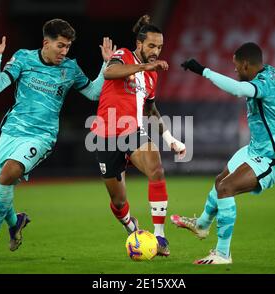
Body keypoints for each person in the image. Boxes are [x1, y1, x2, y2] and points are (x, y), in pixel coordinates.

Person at [171, 42, 275, 264]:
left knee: (226, 188)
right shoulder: (274, 74)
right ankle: (202, 225)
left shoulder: (263, 84)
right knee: (220, 182)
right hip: (255, 149)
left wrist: (203, 71)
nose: (235, 70)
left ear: (246, 65)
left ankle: (223, 254)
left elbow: (238, 90)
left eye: (236, 66)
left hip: (273, 158)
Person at [0, 19, 115, 255]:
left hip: (41, 136)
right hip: (11, 132)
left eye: (68, 46)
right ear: (46, 42)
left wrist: (105, 64)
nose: (64, 51)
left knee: (8, 174)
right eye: (60, 45)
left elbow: (93, 93)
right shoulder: (24, 58)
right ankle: (15, 222)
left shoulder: (70, 68)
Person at [90, 15, 186, 257]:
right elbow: (110, 72)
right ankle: (131, 227)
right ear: (139, 44)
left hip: (132, 131)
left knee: (156, 169)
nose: (156, 51)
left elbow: (151, 109)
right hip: (105, 134)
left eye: (160, 47)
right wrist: (145, 66)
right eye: (151, 46)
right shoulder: (123, 55)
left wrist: (170, 139)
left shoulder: (152, 76)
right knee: (119, 202)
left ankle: (160, 236)